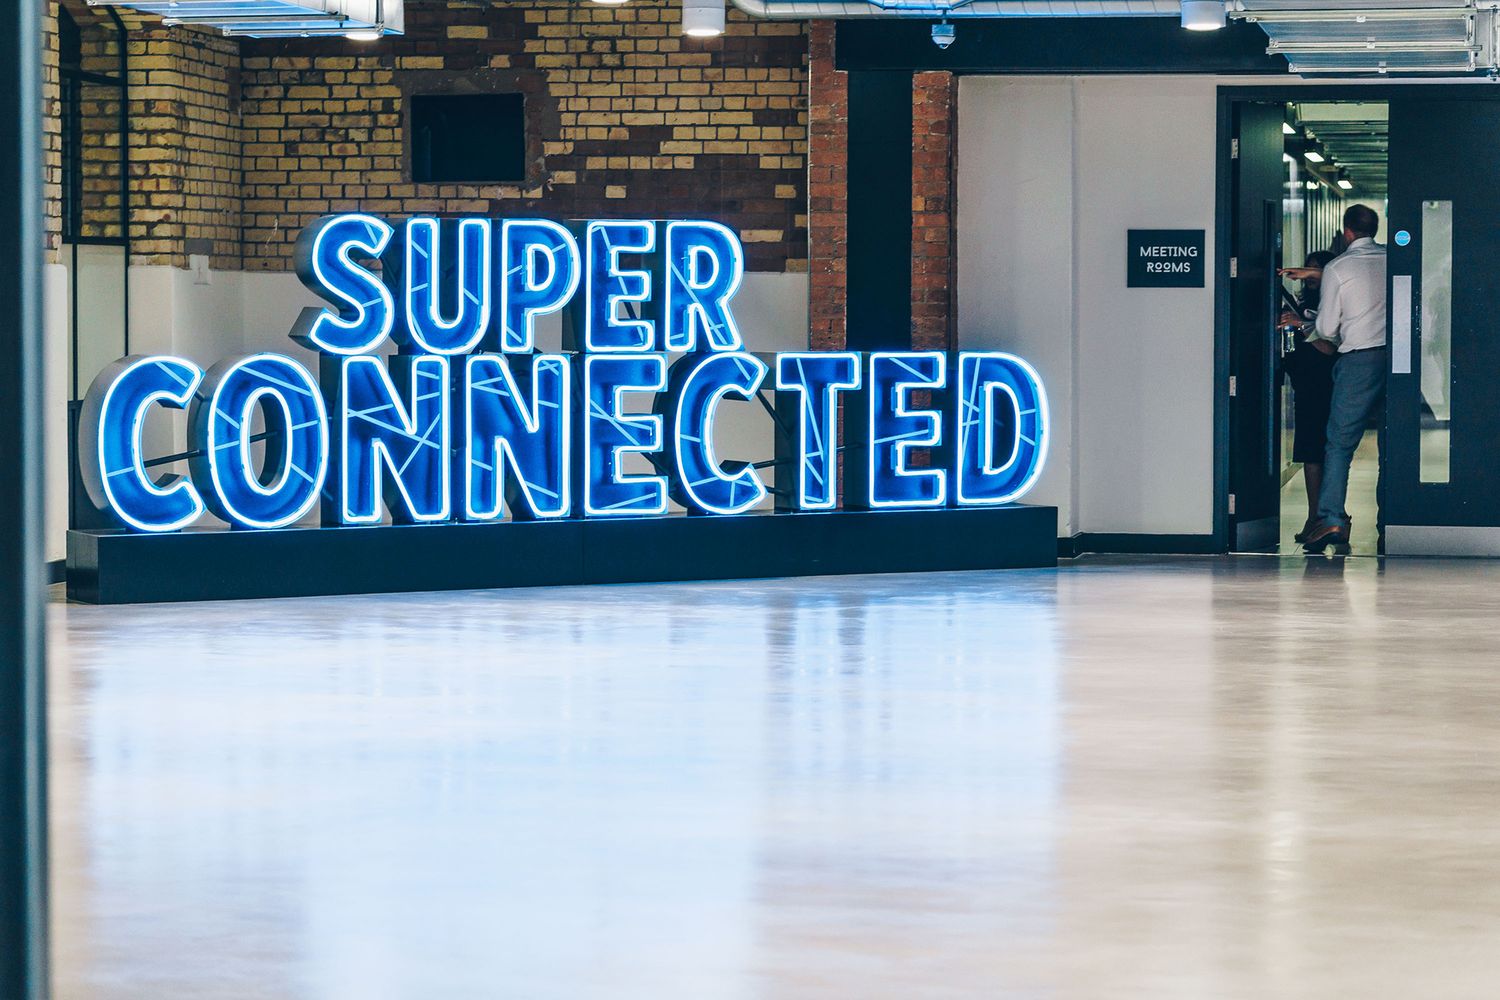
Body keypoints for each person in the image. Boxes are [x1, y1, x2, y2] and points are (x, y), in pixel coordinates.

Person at [1289, 205, 1388, 554]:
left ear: (1347, 232)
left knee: (1339, 444)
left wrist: (1304, 325)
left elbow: (1328, 329)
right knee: (1390, 448)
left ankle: (1330, 518)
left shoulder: (1339, 267)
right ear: (1373, 229)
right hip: (1397, 362)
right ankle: (1388, 523)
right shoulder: (1393, 259)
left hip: (1358, 361)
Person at [1279, 250, 1337, 543]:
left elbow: (1329, 348)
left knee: (1323, 452)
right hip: (1304, 386)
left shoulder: (1332, 304)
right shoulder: (1302, 303)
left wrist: (1301, 325)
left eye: (1316, 270)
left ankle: (1324, 516)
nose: (1309, 275)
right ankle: (1316, 515)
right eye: (1307, 268)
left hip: (1325, 386)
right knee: (1310, 453)